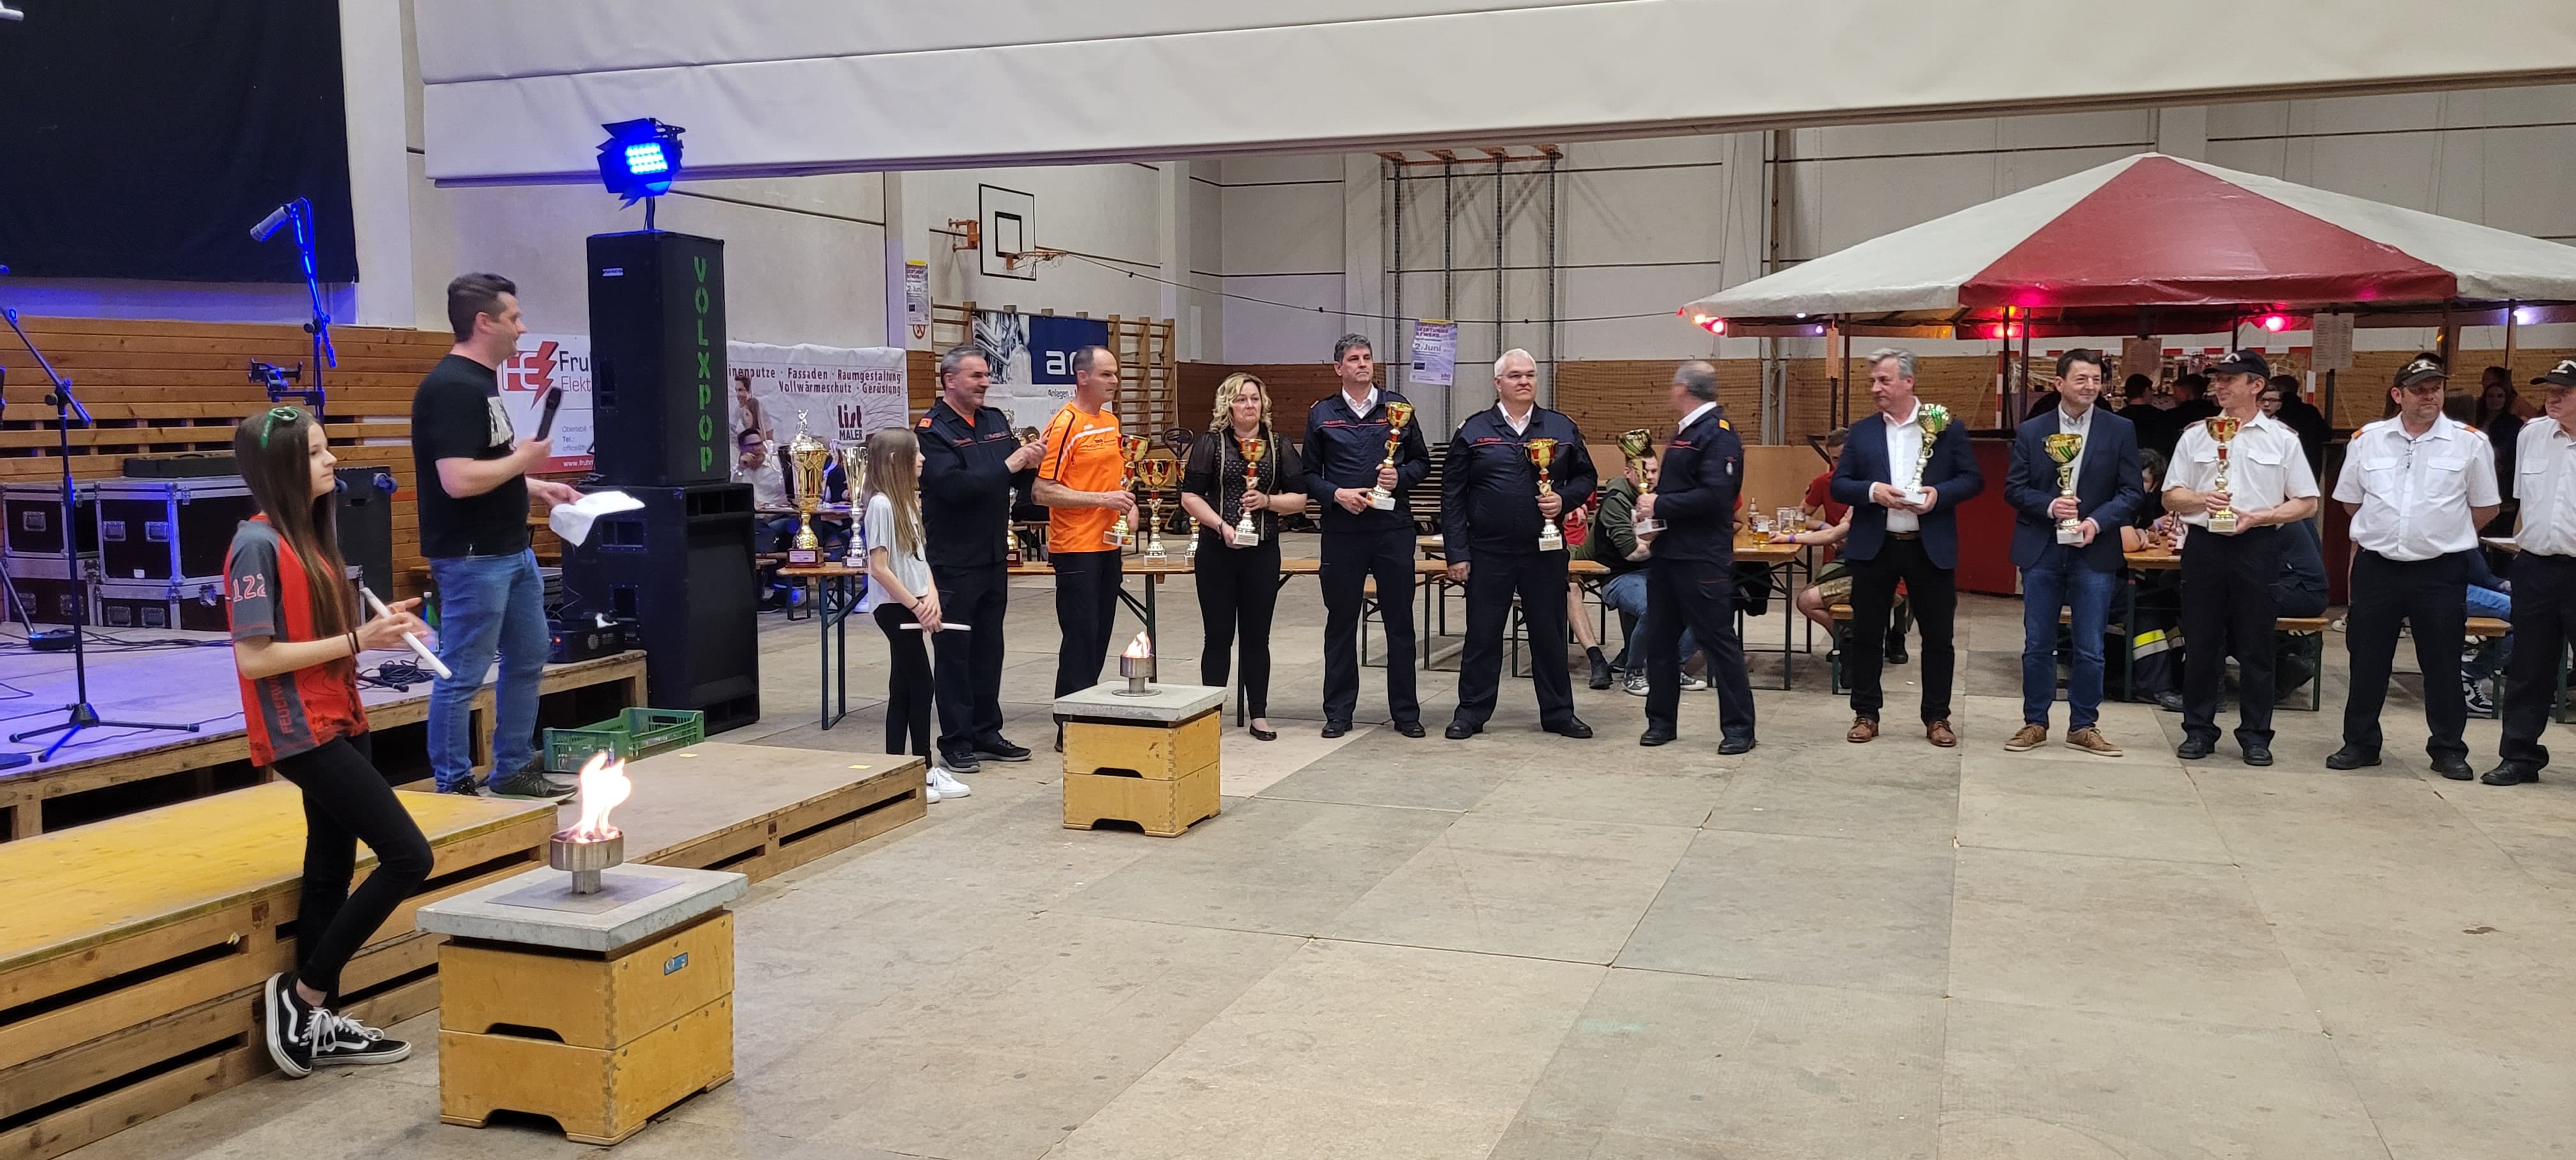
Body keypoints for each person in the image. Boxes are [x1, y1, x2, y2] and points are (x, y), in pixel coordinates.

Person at [227, 406, 431, 1076]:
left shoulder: (311, 536)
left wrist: (381, 633)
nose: (333, 460)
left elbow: (323, 641)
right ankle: (303, 994)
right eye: (317, 452)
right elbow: (255, 658)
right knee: (409, 857)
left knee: (330, 870)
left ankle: (317, 1023)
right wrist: (356, 639)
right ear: (284, 466)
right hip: (300, 731)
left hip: (340, 716)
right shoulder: (255, 546)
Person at [411, 274, 581, 800]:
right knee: (463, 672)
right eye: (514, 318)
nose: (522, 328)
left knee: (528, 658)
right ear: (484, 322)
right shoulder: (452, 388)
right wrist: (524, 459)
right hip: (473, 558)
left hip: (511, 549)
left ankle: (513, 768)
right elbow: (458, 480)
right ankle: (454, 782)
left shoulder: (481, 383)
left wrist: (536, 485)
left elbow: (488, 467)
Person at [2324, 353, 2499, 776]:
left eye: (2436, 389)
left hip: (2440, 569)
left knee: (2442, 662)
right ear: (2398, 395)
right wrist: (2390, 532)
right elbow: (2350, 502)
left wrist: (2438, 534)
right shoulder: (2367, 440)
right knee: (2367, 660)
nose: (2429, 397)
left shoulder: (2469, 442)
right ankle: (2360, 743)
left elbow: (2485, 507)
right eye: (2420, 390)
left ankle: (2448, 749)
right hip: (2379, 566)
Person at [2163, 349, 2320, 767]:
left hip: (2257, 544)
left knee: (2256, 646)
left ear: (2257, 386)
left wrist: (2265, 516)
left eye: (2230, 379)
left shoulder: (2282, 439)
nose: (2220, 385)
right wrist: (2202, 498)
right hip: (2205, 546)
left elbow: (2307, 502)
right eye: (2218, 378)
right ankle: (2198, 729)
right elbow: (2170, 496)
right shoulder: (2196, 435)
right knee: (2202, 643)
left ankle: (2255, 735)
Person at [1830, 347, 1984, 747]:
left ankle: (1937, 717)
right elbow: (1840, 484)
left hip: (1928, 546)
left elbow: (1973, 479)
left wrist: (1939, 494)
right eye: (1872, 381)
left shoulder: (1946, 427)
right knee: (1866, 634)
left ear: (1908, 382)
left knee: (1938, 638)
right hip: (1875, 546)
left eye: (1884, 380)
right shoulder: (1862, 432)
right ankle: (1866, 714)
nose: (1875, 388)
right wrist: (1872, 491)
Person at [1443, 349, 1598, 740]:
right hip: (1487, 551)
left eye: (1530, 374)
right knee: (1483, 635)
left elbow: (1587, 478)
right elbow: (1453, 495)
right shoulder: (1473, 430)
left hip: (1543, 551)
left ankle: (1559, 713)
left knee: (1549, 635)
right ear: (1498, 383)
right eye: (1515, 376)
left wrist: (1564, 500)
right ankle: (1471, 713)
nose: (1524, 381)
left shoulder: (1561, 428)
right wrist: (1457, 553)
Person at [2002, 349, 2144, 757]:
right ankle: (2035, 722)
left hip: (2094, 548)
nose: (2091, 386)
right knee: (2037, 642)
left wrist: (2096, 522)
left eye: (2096, 379)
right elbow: (2014, 489)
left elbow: (2132, 491)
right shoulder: (2033, 431)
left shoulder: (2120, 429)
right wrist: (2051, 506)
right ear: (2059, 383)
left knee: (2090, 645)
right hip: (2042, 548)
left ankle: (2084, 725)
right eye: (2082, 379)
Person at [917, 346, 1043, 774]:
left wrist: (1033, 464)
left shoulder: (994, 421)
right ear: (950, 380)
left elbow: (1012, 481)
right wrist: (1011, 464)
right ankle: (955, 740)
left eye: (987, 375)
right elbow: (954, 487)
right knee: (955, 653)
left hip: (993, 554)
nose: (985, 383)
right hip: (954, 559)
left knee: (989, 649)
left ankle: (987, 731)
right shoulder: (933, 430)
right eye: (976, 376)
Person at [1303, 333, 1431, 739]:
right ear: (1338, 368)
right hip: (1343, 532)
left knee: (1400, 622)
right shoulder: (1322, 414)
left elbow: (1422, 463)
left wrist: (1400, 476)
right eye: (1354, 359)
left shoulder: (1398, 409)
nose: (1362, 364)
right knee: (1341, 622)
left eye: (1367, 358)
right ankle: (1339, 713)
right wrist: (1336, 494)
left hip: (1393, 530)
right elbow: (1308, 475)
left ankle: (1406, 713)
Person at [1635, 360, 1757, 751]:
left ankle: (1739, 729)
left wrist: (1660, 504)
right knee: (1660, 640)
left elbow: (1716, 496)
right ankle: (1661, 722)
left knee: (1717, 641)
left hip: (1701, 557)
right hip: (1669, 554)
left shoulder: (1718, 434)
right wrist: (1652, 511)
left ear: (1683, 389)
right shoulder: (1686, 431)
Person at [1181, 372, 1308, 741]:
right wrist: (1222, 526)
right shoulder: (1210, 444)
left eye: (1254, 398)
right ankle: (1211, 713)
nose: (1249, 405)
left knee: (1257, 637)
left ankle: (1259, 714)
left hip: (1262, 551)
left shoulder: (1279, 445)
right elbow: (1190, 496)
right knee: (1217, 637)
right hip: (1216, 550)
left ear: (1263, 403)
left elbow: (1300, 499)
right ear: (1228, 405)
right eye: (1241, 399)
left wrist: (1267, 501)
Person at [856, 427, 969, 802]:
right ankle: (923, 767)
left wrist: (931, 594)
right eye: (915, 453)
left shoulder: (906, 502)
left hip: (912, 605)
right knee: (922, 685)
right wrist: (916, 606)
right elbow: (879, 568)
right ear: (895, 460)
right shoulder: (881, 505)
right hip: (896, 609)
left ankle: (897, 769)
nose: (922, 460)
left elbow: (920, 559)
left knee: (903, 688)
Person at [2484, 358, 2576, 786]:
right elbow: (2523, 502)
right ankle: (2519, 756)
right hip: (2537, 566)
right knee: (2528, 667)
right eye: (2549, 390)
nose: (2551, 399)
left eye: (2564, 392)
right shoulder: (2532, 435)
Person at [1035, 346, 1138, 717]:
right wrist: (1102, 500)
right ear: (1082, 377)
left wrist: (1129, 505)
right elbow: (1042, 491)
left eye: (1115, 374)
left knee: (1099, 635)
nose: (1115, 381)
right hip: (1077, 548)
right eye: (1106, 374)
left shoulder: (1111, 422)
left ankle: (1086, 713)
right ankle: (1068, 720)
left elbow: (1117, 480)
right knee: (1080, 638)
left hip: (1110, 545)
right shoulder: (1066, 424)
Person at [2267, 515, 2330, 706]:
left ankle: (2285, 666)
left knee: (2229, 602)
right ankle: (2292, 655)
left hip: (2301, 592)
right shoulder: (2294, 509)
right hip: (2311, 591)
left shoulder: (2268, 512)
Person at [739, 428, 800, 613]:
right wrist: (741, 469)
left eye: (759, 444)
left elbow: (791, 491)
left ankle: (779, 590)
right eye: (751, 445)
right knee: (753, 534)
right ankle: (754, 597)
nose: (757, 448)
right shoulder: (739, 470)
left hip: (779, 516)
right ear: (742, 448)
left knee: (773, 531)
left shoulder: (777, 464)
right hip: (751, 520)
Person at [2459, 548, 2511, 717]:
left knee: (2536, 612)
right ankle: (2469, 674)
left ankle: (2544, 685)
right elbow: (2478, 573)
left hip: (2467, 584)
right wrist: (2499, 583)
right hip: (2456, 588)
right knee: (2529, 612)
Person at [2266, 374, 2331, 477]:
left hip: (2279, 465)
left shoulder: (2273, 412)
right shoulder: (2310, 411)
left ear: (2279, 392)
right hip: (2310, 461)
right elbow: (2326, 434)